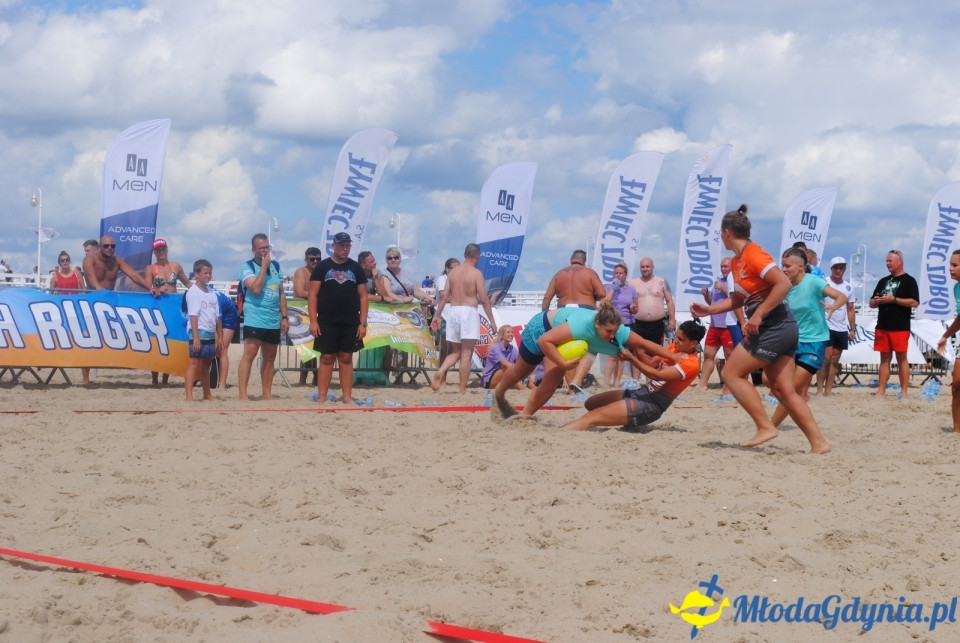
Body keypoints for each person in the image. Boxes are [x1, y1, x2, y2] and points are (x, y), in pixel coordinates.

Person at [690, 204, 831, 454]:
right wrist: (710, 310)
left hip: (775, 325)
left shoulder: (754, 254)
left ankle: (765, 426)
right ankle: (819, 443)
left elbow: (783, 283)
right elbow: (738, 299)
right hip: (781, 327)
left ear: (727, 232)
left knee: (732, 373)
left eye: (720, 233)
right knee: (783, 390)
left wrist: (759, 315)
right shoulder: (737, 261)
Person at [491, 299, 685, 422]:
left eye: (615, 331)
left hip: (563, 340)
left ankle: (524, 417)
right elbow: (545, 341)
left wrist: (673, 356)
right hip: (543, 328)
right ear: (597, 324)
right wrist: (564, 365)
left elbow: (646, 344)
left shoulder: (620, 333)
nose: (612, 335)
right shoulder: (582, 326)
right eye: (608, 331)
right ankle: (499, 394)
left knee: (550, 383)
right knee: (521, 371)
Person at [560, 320, 706, 431]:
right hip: (643, 393)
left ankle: (560, 433)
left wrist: (631, 358)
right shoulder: (674, 348)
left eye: (681, 339)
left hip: (651, 405)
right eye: (676, 337)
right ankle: (624, 417)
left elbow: (656, 375)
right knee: (590, 404)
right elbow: (650, 363)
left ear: (693, 343)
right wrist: (635, 347)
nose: (675, 341)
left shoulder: (691, 364)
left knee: (591, 418)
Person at [768, 248, 847, 429]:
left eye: (787, 266)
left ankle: (770, 427)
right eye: (782, 265)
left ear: (801, 266)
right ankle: (801, 402)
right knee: (770, 381)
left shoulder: (814, 282)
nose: (784, 269)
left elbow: (841, 296)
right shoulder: (785, 286)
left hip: (814, 341)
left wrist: (834, 305)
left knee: (791, 391)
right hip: (791, 341)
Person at [307, 232, 368, 404]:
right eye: (341, 245)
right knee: (327, 357)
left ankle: (347, 396)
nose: (345, 248)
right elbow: (313, 295)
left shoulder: (355, 268)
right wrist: (313, 320)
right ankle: (322, 397)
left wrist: (363, 323)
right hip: (327, 320)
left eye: (347, 245)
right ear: (333, 246)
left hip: (350, 321)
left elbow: (363, 297)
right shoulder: (323, 267)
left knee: (346, 357)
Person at [429, 243, 496, 394]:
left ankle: (441, 371)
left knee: (455, 352)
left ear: (464, 254)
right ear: (477, 256)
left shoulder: (452, 273)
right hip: (468, 311)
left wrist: (437, 315)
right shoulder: (476, 273)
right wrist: (491, 321)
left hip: (453, 311)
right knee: (466, 355)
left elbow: (444, 296)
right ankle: (462, 390)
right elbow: (484, 299)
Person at [541, 250, 605, 393]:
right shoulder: (589, 273)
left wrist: (544, 317)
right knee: (590, 348)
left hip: (563, 312)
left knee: (569, 349)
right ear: (584, 260)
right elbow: (602, 293)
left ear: (571, 259)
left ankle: (571, 390)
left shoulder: (559, 274)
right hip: (585, 311)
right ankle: (577, 381)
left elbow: (547, 298)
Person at [237, 233, 289, 401]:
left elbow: (281, 293)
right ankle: (243, 394)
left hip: (273, 318)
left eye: (267, 247)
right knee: (250, 354)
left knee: (270, 357)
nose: (265, 251)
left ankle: (267, 393)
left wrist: (285, 317)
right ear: (254, 250)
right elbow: (256, 289)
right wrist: (264, 268)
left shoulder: (276, 266)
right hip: (255, 316)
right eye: (261, 248)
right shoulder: (247, 267)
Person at [869, 249, 920, 398]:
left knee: (901, 358)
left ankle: (904, 391)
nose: (888, 264)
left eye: (890, 261)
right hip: (882, 326)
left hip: (900, 327)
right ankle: (881, 390)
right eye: (886, 261)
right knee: (884, 359)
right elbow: (872, 302)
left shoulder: (909, 281)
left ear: (900, 262)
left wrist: (894, 300)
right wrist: (876, 301)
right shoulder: (883, 281)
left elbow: (915, 302)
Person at [144, 238, 192, 385]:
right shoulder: (151, 268)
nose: (161, 252)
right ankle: (154, 378)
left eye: (163, 249)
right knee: (157, 342)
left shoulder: (176, 266)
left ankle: (165, 378)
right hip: (158, 307)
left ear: (167, 250)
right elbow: (147, 286)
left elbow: (188, 283)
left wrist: (203, 292)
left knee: (170, 342)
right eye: (158, 250)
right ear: (154, 252)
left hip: (173, 308)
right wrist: (156, 289)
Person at [696, 256, 746, 397]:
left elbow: (735, 299)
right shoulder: (717, 281)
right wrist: (706, 296)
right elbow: (713, 302)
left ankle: (729, 385)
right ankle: (703, 384)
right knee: (708, 354)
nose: (723, 269)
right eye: (722, 266)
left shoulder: (734, 281)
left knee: (729, 356)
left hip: (727, 324)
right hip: (714, 324)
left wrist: (724, 288)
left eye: (726, 266)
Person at [627, 257, 676, 379]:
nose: (645, 269)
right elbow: (627, 302)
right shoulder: (633, 283)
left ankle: (651, 380)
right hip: (639, 323)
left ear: (653, 267)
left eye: (647, 266)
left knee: (655, 353)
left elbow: (669, 301)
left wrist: (672, 319)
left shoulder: (661, 281)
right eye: (642, 267)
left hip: (657, 324)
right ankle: (635, 381)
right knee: (638, 352)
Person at [817, 256, 857, 396]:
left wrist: (852, 329)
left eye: (841, 267)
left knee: (835, 360)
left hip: (841, 327)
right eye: (836, 267)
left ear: (844, 269)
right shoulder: (824, 282)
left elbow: (850, 309)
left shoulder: (848, 287)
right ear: (831, 269)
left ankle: (828, 390)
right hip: (825, 324)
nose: (839, 270)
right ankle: (819, 389)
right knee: (826, 358)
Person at [184, 259, 222, 402]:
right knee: (194, 362)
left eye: (210, 273)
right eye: (205, 273)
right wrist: (196, 337)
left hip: (210, 331)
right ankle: (189, 395)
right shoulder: (193, 292)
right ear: (197, 274)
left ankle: (207, 394)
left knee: (206, 364)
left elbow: (217, 317)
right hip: (198, 331)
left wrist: (218, 336)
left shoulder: (212, 292)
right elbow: (193, 315)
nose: (208, 276)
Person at [601, 262, 638, 387]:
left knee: (622, 355)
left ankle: (617, 383)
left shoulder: (631, 290)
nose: (618, 275)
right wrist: (613, 289)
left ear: (625, 275)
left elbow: (636, 309)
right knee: (612, 355)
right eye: (616, 273)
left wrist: (634, 308)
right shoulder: (607, 287)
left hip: (627, 323)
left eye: (621, 273)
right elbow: (604, 303)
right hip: (612, 324)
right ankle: (606, 383)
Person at [82, 235, 160, 294]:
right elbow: (90, 275)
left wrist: (150, 288)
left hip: (109, 298)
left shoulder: (117, 260)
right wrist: (97, 286)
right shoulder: (89, 259)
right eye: (106, 246)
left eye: (112, 246)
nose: (109, 248)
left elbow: (134, 275)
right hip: (92, 297)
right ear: (100, 247)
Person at [936, 249, 960, 432]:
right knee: (956, 386)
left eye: (954, 265)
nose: (950, 269)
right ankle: (957, 430)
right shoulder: (957, 288)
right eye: (950, 264)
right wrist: (945, 336)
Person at [292, 247, 321, 385]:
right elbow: (300, 292)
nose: (315, 261)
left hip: (315, 311)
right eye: (312, 259)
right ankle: (303, 379)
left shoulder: (320, 272)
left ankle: (316, 377)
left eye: (318, 259)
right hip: (302, 313)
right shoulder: (301, 272)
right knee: (306, 347)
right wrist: (319, 296)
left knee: (316, 346)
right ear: (306, 259)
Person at [433, 257, 461, 363]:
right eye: (453, 268)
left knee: (454, 350)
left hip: (454, 316)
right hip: (444, 316)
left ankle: (441, 374)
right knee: (446, 350)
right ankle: (441, 374)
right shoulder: (442, 279)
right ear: (447, 269)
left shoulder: (458, 280)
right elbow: (444, 297)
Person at [482, 325, 523, 390]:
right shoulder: (495, 348)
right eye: (508, 332)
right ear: (502, 335)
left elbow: (520, 365)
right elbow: (505, 364)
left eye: (512, 332)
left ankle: (532, 389)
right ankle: (523, 389)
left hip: (504, 379)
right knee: (507, 369)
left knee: (525, 371)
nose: (511, 334)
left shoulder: (513, 349)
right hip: (489, 381)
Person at [214, 289, 239, 390]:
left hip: (230, 314)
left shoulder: (215, 299)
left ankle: (222, 383)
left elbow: (218, 319)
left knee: (222, 349)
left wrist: (220, 337)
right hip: (216, 314)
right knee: (211, 349)